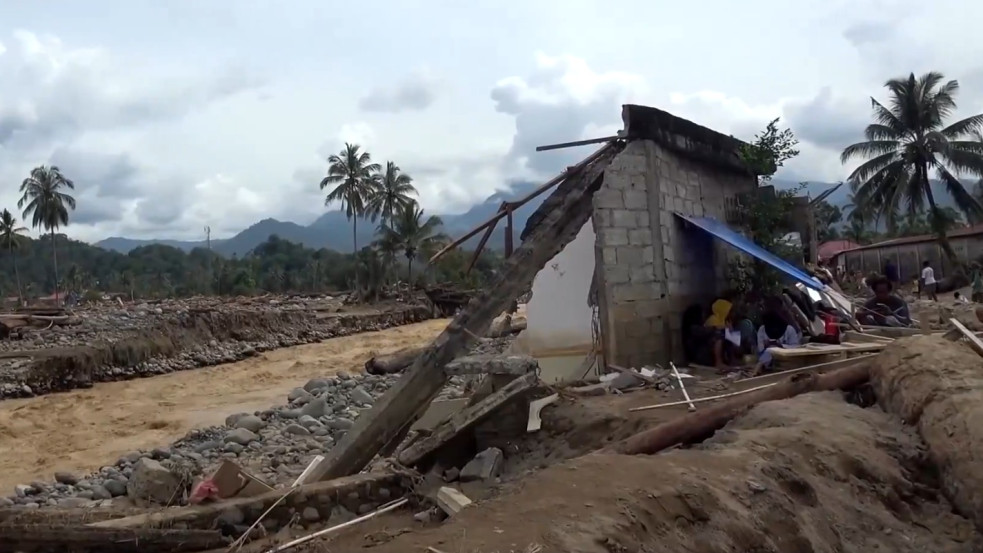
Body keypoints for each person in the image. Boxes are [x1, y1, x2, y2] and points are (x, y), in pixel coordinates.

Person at [751, 297, 801, 375]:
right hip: (767, 362)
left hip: (787, 359)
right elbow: (760, 349)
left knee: (771, 349)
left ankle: (758, 368)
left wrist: (780, 346)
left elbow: (796, 347)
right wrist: (767, 346)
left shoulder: (789, 329)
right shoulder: (762, 330)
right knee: (770, 350)